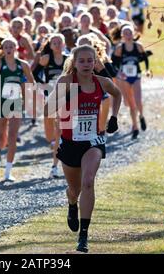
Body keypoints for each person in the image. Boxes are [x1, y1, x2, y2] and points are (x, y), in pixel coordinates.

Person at [46, 44, 122, 253]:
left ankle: (84, 237)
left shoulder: (103, 82)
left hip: (93, 142)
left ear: (96, 62)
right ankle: (72, 203)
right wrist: (63, 100)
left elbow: (118, 94)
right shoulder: (66, 82)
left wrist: (114, 118)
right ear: (75, 63)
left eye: (90, 60)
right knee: (75, 189)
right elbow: (46, 109)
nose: (87, 64)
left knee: (88, 181)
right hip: (70, 143)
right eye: (82, 61)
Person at [0, 36, 35, 181]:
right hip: (1, 103)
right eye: (5, 47)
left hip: (16, 103)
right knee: (0, 136)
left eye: (10, 46)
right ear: (3, 49)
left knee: (13, 137)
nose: (8, 49)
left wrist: (27, 97)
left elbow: (31, 83)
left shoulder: (23, 65)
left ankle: (8, 171)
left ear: (15, 48)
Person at [111, 25, 151, 139]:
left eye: (130, 33)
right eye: (126, 33)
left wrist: (147, 70)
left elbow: (145, 58)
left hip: (136, 76)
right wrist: (118, 72)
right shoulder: (119, 48)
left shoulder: (138, 46)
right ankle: (135, 126)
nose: (128, 36)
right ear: (122, 36)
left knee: (138, 100)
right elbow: (113, 63)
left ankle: (142, 116)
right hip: (124, 78)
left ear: (133, 34)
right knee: (131, 103)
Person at [39, 34, 67, 178]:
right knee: (52, 132)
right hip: (50, 96)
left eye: (59, 42)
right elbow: (33, 72)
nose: (56, 45)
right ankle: (54, 143)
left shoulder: (69, 60)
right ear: (50, 45)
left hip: (66, 96)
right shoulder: (46, 59)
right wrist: (42, 84)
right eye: (54, 43)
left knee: (60, 132)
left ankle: (55, 166)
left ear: (63, 44)